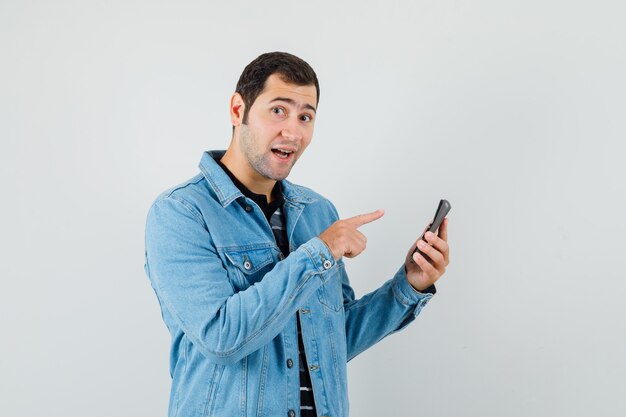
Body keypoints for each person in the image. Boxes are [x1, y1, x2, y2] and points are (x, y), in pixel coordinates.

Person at [144, 51, 450, 417]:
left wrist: (408, 286)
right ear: (237, 110)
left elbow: (333, 339)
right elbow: (220, 337)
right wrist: (319, 251)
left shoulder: (319, 213)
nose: (293, 131)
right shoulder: (181, 212)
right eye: (278, 110)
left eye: (306, 116)